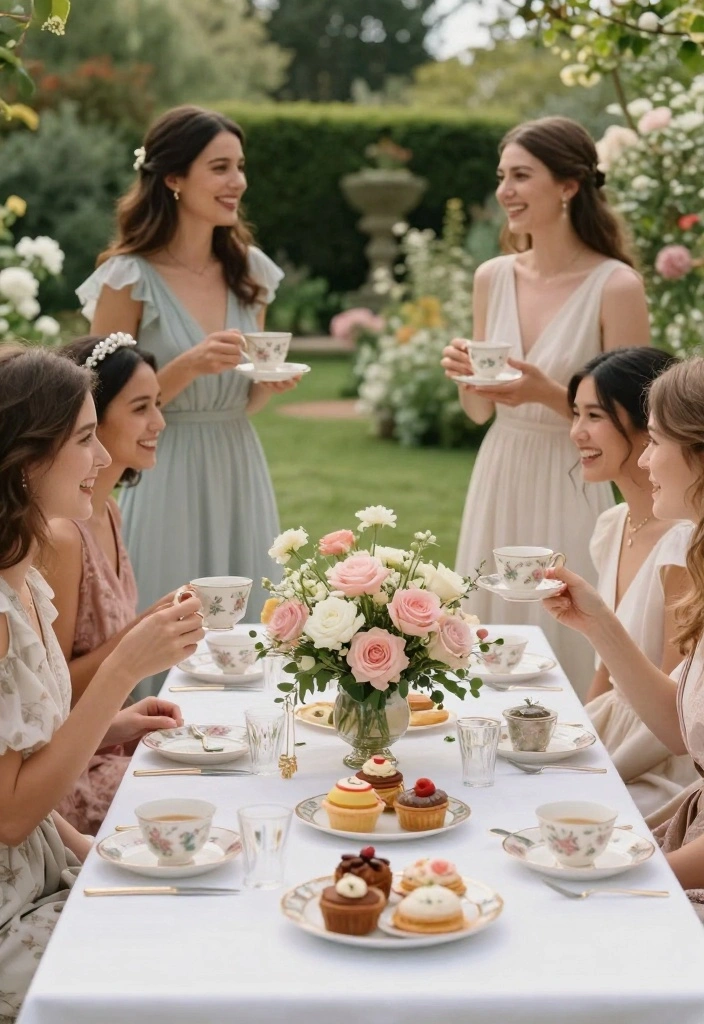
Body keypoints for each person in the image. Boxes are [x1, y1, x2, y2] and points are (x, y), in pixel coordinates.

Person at [0, 345, 203, 1020]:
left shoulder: (25, 583)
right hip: (11, 906)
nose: (98, 460)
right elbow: (9, 815)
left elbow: (23, 752)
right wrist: (120, 670)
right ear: (25, 460)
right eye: (85, 439)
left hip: (47, 861)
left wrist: (92, 847)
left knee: (206, 899)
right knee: (181, 965)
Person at [77, 105, 297, 693]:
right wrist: (188, 366)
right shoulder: (128, 276)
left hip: (237, 461)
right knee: (165, 615)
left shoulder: (250, 271)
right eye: (220, 168)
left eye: (240, 168)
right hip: (160, 467)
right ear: (173, 178)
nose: (238, 183)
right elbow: (98, 401)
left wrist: (260, 387)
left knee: (244, 623)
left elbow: (241, 402)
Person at [441, 116, 650, 698]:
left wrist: (541, 391)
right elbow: (478, 413)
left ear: (568, 186)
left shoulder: (615, 286)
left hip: (573, 477)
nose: (505, 190)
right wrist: (467, 376)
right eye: (502, 176)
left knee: (566, 624)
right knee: (486, 632)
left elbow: (634, 418)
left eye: (521, 176)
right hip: (500, 468)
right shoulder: (492, 277)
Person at [544, 356, 704, 916]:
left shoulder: (683, 552)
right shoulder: (618, 527)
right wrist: (596, 622)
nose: (646, 458)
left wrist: (630, 874)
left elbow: (672, 743)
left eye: (656, 440)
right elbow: (680, 718)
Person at [41, 333, 173, 834]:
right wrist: (138, 640)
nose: (159, 422)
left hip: (106, 739)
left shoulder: (110, 512)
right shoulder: (61, 536)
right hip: (71, 779)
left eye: (158, 405)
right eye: (141, 407)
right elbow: (48, 696)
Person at [569, 348, 696, 814]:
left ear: (648, 427)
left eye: (595, 415)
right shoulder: (613, 524)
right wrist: (576, 736)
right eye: (575, 414)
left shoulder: (685, 545)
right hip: (622, 730)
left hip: (660, 763)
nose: (576, 431)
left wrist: (594, 768)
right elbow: (606, 673)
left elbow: (677, 714)